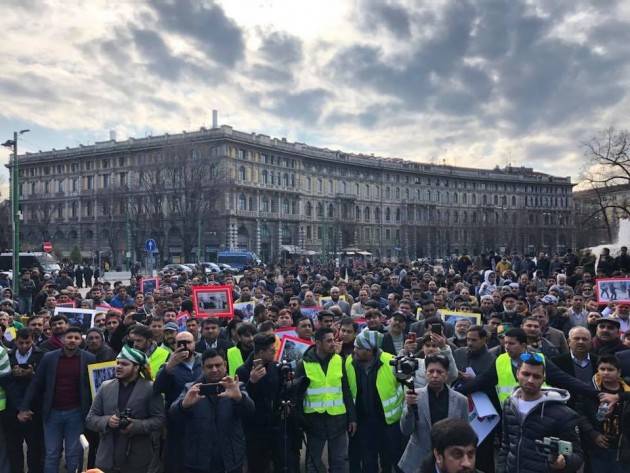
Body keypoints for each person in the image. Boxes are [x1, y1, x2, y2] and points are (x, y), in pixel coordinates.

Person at [18, 326, 96, 473]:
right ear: (62, 339)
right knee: (51, 453)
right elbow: (36, 383)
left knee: (73, 454)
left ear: (81, 341)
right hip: (52, 413)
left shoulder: (89, 358)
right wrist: (24, 407)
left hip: (76, 413)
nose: (72, 340)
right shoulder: (49, 358)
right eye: (69, 337)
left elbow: (94, 387)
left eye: (76, 338)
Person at [170, 348, 255, 473]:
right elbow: (173, 414)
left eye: (218, 365)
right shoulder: (191, 388)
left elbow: (250, 411)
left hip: (230, 458)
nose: (214, 370)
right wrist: (184, 405)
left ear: (225, 365)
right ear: (203, 368)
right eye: (210, 366)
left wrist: (239, 398)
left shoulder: (236, 386)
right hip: (199, 459)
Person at [496, 352, 584, 473]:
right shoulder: (509, 405)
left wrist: (564, 462)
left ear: (544, 379)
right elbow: (506, 445)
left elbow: (577, 456)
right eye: (526, 374)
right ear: (517, 374)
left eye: (536, 376)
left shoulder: (563, 414)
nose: (530, 380)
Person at [86, 345, 166, 473]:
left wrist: (136, 425)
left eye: (124, 364)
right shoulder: (105, 387)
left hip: (137, 457)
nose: (118, 366)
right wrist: (107, 421)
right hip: (107, 456)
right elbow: (90, 419)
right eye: (117, 363)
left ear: (136, 367)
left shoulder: (150, 389)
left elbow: (159, 420)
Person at [295, 327, 357, 473]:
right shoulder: (303, 364)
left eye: (333, 340)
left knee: (339, 462)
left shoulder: (339, 360)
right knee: (313, 462)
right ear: (317, 343)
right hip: (314, 422)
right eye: (329, 341)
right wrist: (300, 421)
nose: (333, 344)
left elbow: (345, 390)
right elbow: (297, 396)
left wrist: (352, 417)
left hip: (338, 420)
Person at [236, 333, 300, 473]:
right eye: (271, 350)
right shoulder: (243, 370)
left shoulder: (274, 367)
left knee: (281, 463)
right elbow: (241, 400)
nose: (275, 352)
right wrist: (251, 382)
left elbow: (279, 391)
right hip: (255, 429)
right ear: (260, 352)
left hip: (275, 424)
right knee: (258, 465)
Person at [345, 329, 405, 473]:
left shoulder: (392, 361)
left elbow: (405, 387)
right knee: (368, 461)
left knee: (390, 459)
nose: (355, 350)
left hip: (388, 422)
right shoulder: (349, 361)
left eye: (359, 348)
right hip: (363, 422)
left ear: (370, 350)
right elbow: (348, 392)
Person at [398, 354, 469, 473]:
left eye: (439, 372)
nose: (435, 375)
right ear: (425, 373)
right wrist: (409, 408)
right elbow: (406, 430)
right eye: (431, 371)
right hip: (418, 460)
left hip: (449, 461)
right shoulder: (414, 396)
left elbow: (465, 434)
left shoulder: (461, 400)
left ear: (446, 374)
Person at [153, 330, 202, 473]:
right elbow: (157, 388)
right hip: (177, 420)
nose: (184, 346)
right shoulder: (168, 366)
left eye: (188, 342)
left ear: (194, 343)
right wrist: (169, 366)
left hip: (202, 417)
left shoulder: (203, 361)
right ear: (174, 345)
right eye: (180, 343)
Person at [3, 328, 45, 473]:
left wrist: (32, 375)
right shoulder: (7, 355)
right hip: (13, 410)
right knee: (14, 448)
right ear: (16, 341)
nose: (24, 346)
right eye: (21, 343)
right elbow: (5, 382)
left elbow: (43, 382)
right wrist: (13, 375)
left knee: (34, 449)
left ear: (32, 340)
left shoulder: (41, 355)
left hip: (34, 409)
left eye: (27, 342)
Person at [581, 355, 630, 473]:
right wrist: (593, 434)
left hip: (622, 447)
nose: (606, 373)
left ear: (619, 372)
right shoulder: (590, 389)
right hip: (597, 445)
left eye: (610, 369)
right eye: (602, 369)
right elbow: (580, 415)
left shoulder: (626, 390)